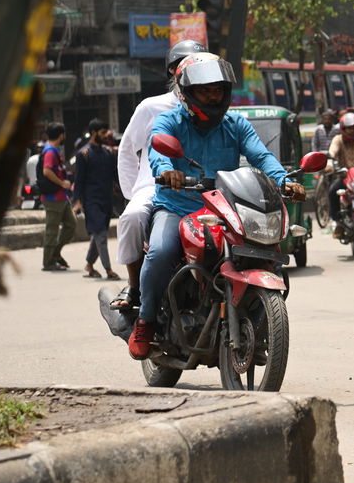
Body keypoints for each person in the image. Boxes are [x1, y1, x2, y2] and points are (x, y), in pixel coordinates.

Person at [128, 53, 305, 359]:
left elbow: (260, 156)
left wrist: (282, 180)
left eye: (218, 89)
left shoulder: (236, 124)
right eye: (205, 90)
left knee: (269, 256)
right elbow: (159, 148)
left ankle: (259, 325)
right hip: (177, 206)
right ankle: (145, 320)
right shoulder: (169, 120)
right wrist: (166, 171)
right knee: (159, 252)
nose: (213, 95)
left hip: (224, 209)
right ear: (187, 92)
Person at [114, 40, 207, 311]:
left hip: (204, 188)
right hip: (156, 187)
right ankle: (134, 287)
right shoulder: (152, 107)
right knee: (132, 217)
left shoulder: (217, 109)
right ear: (172, 72)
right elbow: (127, 150)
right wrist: (134, 192)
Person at [73, 119, 120, 280]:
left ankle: (89, 264)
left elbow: (115, 176)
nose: (106, 135)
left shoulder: (107, 153)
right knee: (100, 234)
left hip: (107, 200)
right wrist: (77, 201)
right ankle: (108, 270)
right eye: (102, 132)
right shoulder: (83, 154)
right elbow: (78, 180)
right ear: (93, 133)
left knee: (99, 233)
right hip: (91, 201)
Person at [39, 123, 77, 272]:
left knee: (71, 225)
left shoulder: (54, 150)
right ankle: (48, 261)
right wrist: (62, 183)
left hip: (62, 196)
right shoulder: (49, 152)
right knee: (52, 230)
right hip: (53, 198)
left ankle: (55, 254)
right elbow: (47, 171)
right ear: (61, 135)